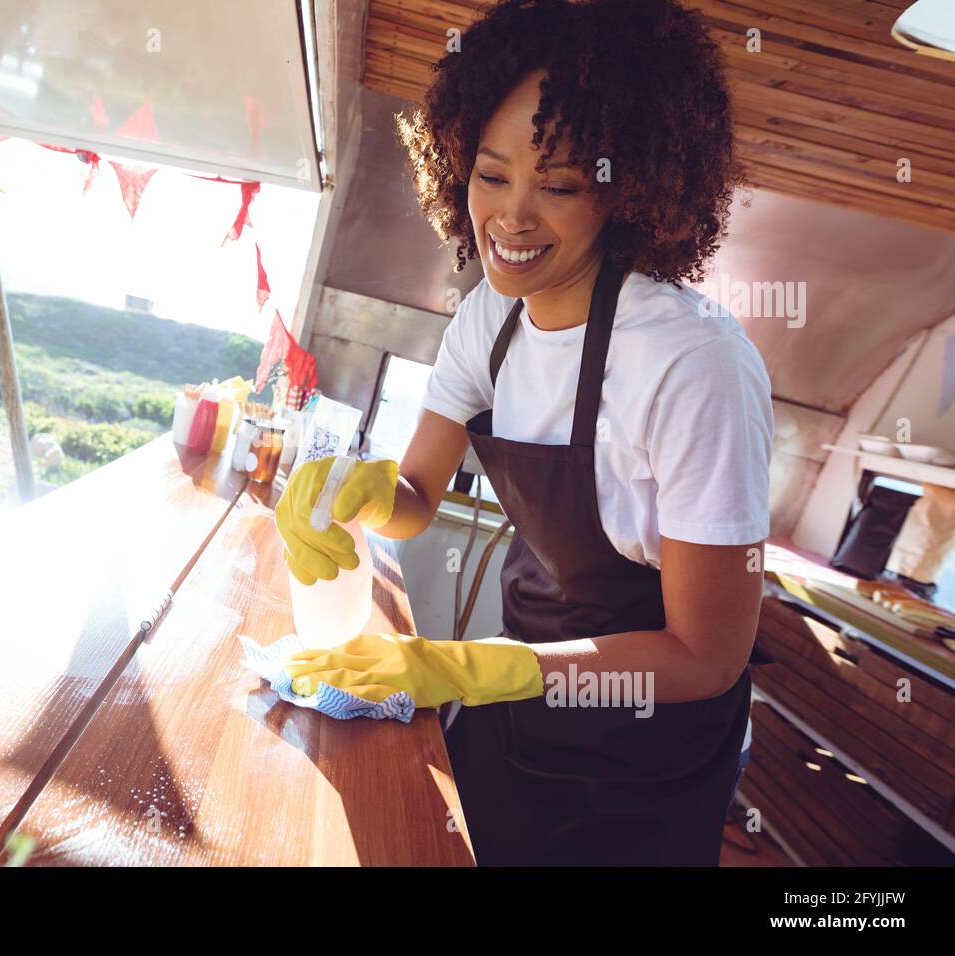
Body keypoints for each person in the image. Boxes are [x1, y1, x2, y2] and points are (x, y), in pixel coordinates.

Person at [274, 0, 773, 866]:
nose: (511, 217)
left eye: (562, 185)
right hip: (520, 702)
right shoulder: (486, 322)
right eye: (491, 175)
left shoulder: (693, 364)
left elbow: (707, 655)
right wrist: (359, 492)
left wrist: (484, 668)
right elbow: (416, 495)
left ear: (633, 189)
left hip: (647, 759)